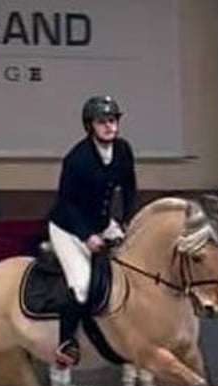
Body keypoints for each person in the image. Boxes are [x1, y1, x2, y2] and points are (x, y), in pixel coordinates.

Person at [47, 95, 137, 370]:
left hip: (102, 222)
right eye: (103, 122)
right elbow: (67, 204)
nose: (110, 126)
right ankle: (67, 343)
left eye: (113, 120)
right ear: (90, 126)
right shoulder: (77, 159)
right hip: (69, 228)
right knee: (82, 284)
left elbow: (130, 187)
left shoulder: (123, 149)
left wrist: (125, 220)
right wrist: (87, 236)